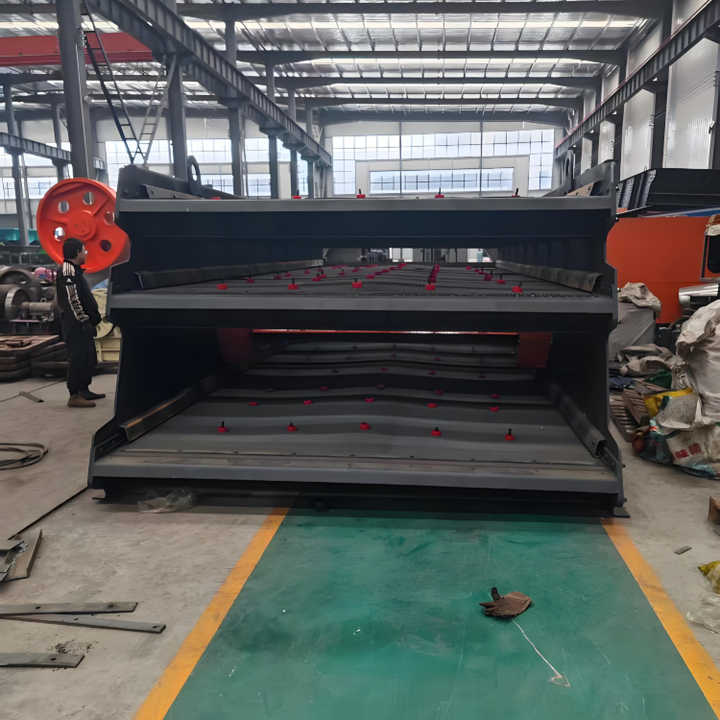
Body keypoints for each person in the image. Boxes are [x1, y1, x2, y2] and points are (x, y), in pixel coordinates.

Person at [56, 238, 105, 408]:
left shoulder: (76, 271)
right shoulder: (67, 271)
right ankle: (74, 395)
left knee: (88, 357)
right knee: (77, 359)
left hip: (83, 324)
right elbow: (72, 300)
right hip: (76, 325)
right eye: (84, 250)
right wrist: (83, 321)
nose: (86, 253)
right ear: (77, 252)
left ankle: (84, 389)